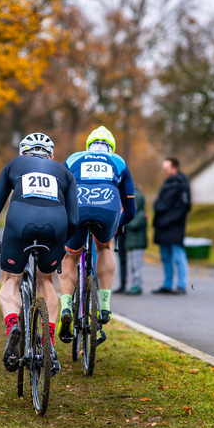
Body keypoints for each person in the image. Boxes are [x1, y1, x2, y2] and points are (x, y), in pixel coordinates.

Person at [0, 131, 77, 376]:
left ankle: (13, 324)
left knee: (10, 280)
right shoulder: (64, 172)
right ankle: (50, 347)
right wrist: (60, 245)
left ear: (23, 153)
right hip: (56, 224)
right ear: (52, 156)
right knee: (46, 280)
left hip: (19, 221)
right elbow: (75, 220)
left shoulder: (14, 165)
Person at [57, 126, 135, 342]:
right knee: (104, 247)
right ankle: (105, 306)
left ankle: (66, 308)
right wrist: (118, 226)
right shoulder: (118, 161)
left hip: (78, 208)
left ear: (88, 146)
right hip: (107, 209)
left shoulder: (74, 158)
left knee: (70, 257)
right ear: (111, 146)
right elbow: (131, 210)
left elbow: (59, 194)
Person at [152, 157, 192, 294]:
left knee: (178, 255)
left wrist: (170, 219)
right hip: (162, 227)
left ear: (174, 169)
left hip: (175, 227)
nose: (163, 171)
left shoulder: (182, 184)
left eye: (166, 169)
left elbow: (185, 206)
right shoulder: (166, 184)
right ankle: (167, 284)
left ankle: (182, 285)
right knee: (165, 256)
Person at [123, 184, 148, 295]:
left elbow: (133, 225)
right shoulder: (136, 214)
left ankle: (138, 285)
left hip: (138, 244)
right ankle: (134, 284)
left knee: (137, 265)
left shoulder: (141, 215)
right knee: (133, 265)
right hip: (132, 244)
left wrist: (126, 221)